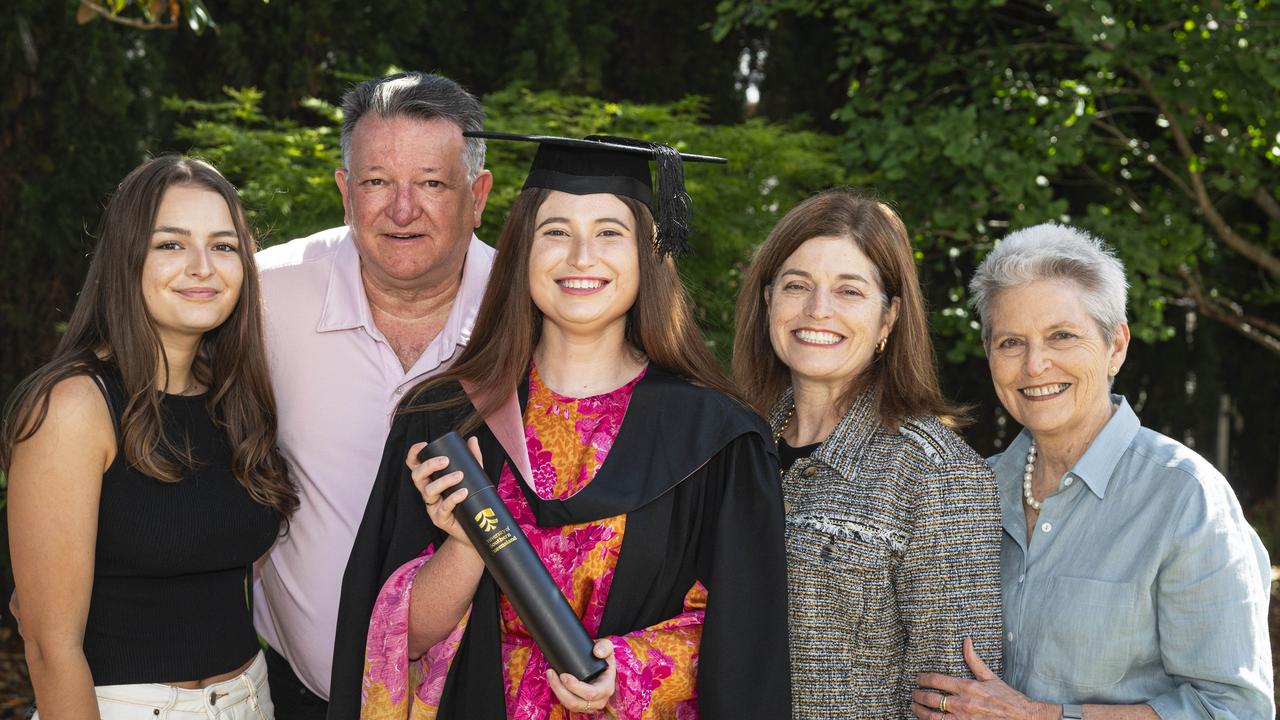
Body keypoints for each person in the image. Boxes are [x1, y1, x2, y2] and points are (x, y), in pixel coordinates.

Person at [330, 133, 791, 718]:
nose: (581, 257)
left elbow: (746, 642)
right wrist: (465, 543)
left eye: (608, 232)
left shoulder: (718, 440)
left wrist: (625, 671)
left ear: (647, 253)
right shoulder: (444, 416)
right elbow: (401, 643)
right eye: (556, 232)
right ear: (522, 249)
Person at [913, 223, 1273, 720]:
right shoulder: (967, 490)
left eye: (1062, 335)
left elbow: (1234, 711)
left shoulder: (1185, 498)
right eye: (1011, 342)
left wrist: (1041, 716)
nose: (1035, 365)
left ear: (1116, 347)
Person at [1, 156, 297, 719]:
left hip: (251, 700)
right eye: (171, 245)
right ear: (125, 258)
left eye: (224, 246)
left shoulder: (235, 397)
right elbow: (48, 646)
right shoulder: (73, 407)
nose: (202, 267)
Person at [251, 72, 494, 719]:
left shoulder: (528, 311)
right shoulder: (264, 298)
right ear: (344, 191)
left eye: (432, 183)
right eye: (377, 181)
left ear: (478, 195)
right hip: (299, 700)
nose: (403, 209)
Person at [731, 188, 1004, 719]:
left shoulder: (937, 473)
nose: (818, 310)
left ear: (888, 317)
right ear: (768, 301)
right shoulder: (730, 447)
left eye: (849, 291)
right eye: (796, 286)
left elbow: (952, 703)